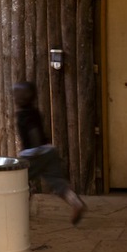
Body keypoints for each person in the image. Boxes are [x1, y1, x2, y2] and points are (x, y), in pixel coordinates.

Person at [13, 80, 87, 223]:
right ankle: (76, 203)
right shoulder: (35, 112)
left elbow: (33, 132)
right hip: (49, 151)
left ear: (22, 97)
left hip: (34, 154)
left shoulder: (23, 115)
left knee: (17, 180)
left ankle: (20, 212)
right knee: (58, 182)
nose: (15, 97)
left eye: (17, 94)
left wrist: (35, 149)